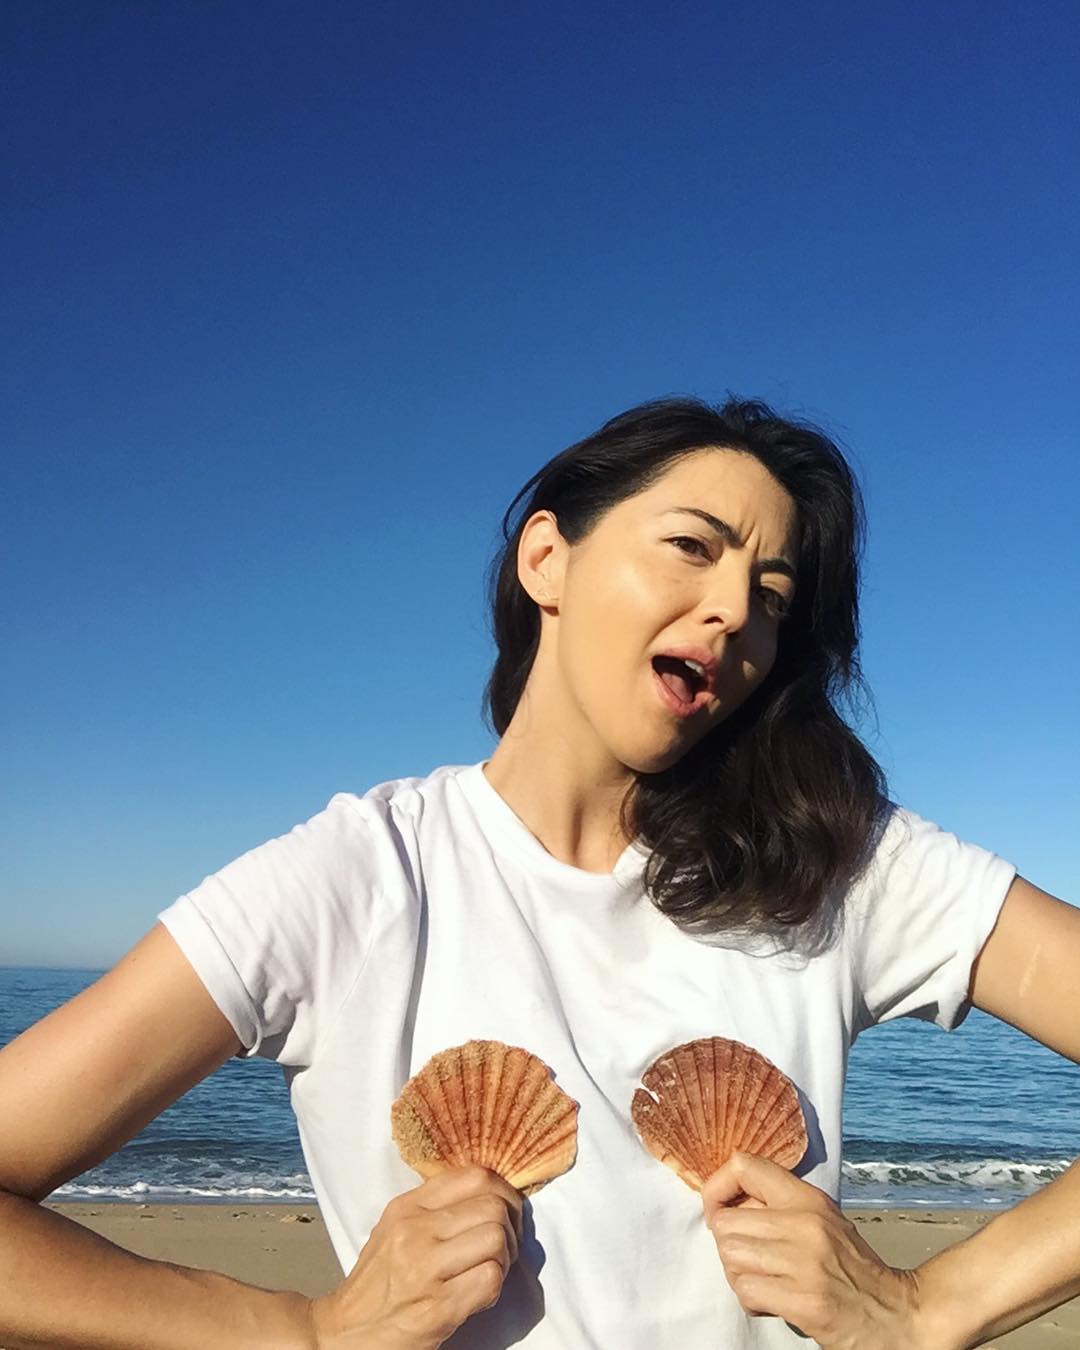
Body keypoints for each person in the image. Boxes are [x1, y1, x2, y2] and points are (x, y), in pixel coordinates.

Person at [0, 396, 1077, 1350]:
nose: (736, 610)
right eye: (691, 546)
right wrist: (305, 1332)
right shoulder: (358, 879)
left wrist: (931, 1311)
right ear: (546, 559)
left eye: (775, 594)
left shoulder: (830, 858)